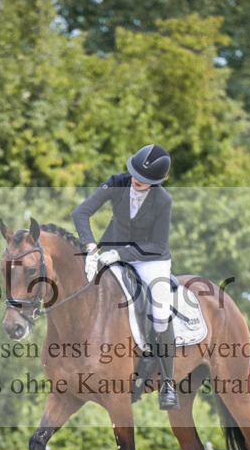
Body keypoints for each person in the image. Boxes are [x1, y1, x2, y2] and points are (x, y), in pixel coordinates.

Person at [72, 144, 178, 410]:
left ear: (156, 183)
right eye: (134, 174)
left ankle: (168, 383)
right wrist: (91, 247)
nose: (136, 181)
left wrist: (120, 255)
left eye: (143, 181)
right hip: (110, 250)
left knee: (161, 313)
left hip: (150, 259)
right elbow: (81, 212)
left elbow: (158, 244)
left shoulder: (163, 200)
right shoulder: (117, 182)